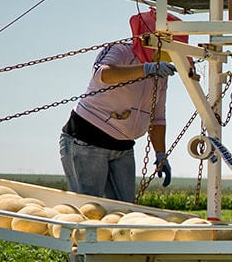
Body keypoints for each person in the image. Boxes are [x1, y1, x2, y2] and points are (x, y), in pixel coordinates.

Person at [59, 10, 185, 203]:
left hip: (123, 147)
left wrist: (160, 153)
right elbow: (103, 74)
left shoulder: (161, 73)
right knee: (89, 207)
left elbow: (157, 117)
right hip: (87, 141)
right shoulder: (121, 51)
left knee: (124, 209)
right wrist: (145, 69)